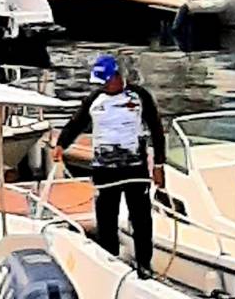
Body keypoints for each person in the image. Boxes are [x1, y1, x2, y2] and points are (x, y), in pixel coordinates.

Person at [56, 54, 166, 277]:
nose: (106, 85)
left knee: (141, 218)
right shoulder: (94, 99)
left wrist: (159, 165)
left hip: (135, 169)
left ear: (117, 75)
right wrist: (61, 144)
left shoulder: (139, 96)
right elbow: (76, 123)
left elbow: (156, 128)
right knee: (106, 219)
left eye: (108, 80)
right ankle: (109, 262)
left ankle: (144, 263)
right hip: (104, 170)